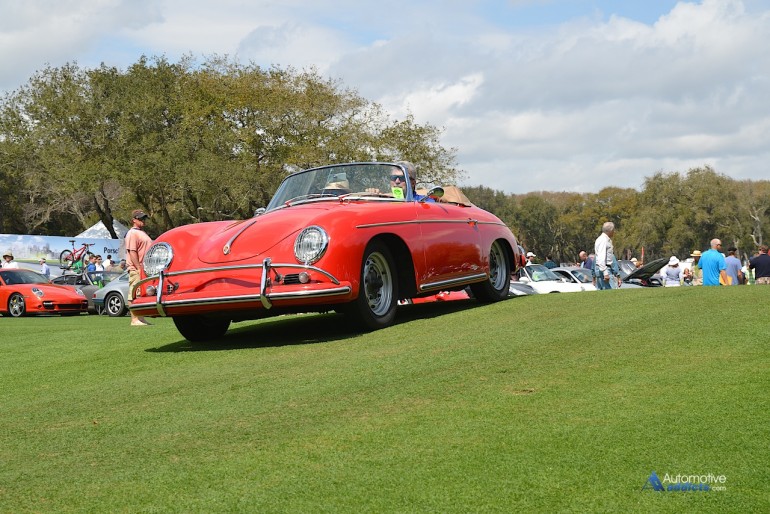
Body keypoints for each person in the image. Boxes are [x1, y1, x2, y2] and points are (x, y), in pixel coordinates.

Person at [125, 209, 153, 326]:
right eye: (140, 218)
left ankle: (140, 318)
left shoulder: (141, 232)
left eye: (144, 218)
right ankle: (134, 319)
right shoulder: (132, 233)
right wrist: (138, 268)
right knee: (133, 293)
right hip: (137, 268)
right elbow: (132, 251)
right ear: (134, 220)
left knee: (140, 293)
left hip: (144, 269)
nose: (143, 220)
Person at [594, 221, 617, 290]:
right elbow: (601, 257)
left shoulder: (602, 239)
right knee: (611, 292)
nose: (614, 232)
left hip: (602, 268)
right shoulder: (604, 240)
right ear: (610, 230)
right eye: (613, 230)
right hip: (605, 269)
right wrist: (605, 273)